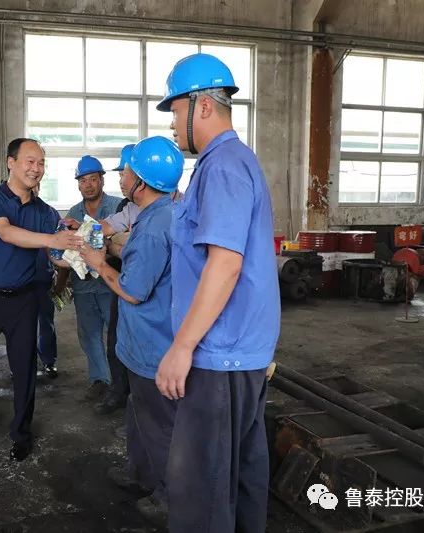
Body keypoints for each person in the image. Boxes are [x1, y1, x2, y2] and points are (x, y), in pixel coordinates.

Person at [154, 53, 280, 532]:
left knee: (200, 489)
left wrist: (182, 348)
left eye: (175, 111)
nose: (172, 124)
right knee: (240, 477)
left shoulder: (223, 166)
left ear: (202, 106)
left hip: (219, 356)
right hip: (238, 353)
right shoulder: (230, 161)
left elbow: (225, 265)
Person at [0, 138, 83, 462]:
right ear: (11, 162)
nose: (36, 169)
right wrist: (54, 238)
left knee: (25, 370)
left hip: (24, 300)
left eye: (41, 163)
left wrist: (81, 253)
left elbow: (55, 256)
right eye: (30, 161)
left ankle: (21, 433)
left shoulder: (46, 213)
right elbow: (7, 232)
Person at [81, 136, 184, 521]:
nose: (121, 178)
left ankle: (170, 495)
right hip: (141, 342)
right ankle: (140, 472)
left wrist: (98, 262)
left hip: (153, 343)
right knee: (138, 413)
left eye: (126, 171)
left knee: (159, 424)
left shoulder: (155, 226)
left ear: (141, 182)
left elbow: (133, 291)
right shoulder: (163, 212)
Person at [65, 155, 123, 400]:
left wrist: (83, 229)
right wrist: (61, 282)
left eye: (92, 179)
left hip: (111, 283)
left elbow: (124, 242)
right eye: (83, 180)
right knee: (88, 334)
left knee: (117, 334)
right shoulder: (72, 212)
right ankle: (100, 380)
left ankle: (121, 383)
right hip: (83, 285)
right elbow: (68, 251)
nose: (88, 185)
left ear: (102, 180)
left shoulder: (118, 207)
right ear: (78, 184)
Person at [93, 144, 139, 415]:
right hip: (123, 280)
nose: (121, 180)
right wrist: (84, 231)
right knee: (117, 337)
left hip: (148, 288)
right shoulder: (128, 207)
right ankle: (119, 391)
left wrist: (113, 245)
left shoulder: (171, 209)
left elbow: (131, 246)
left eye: (125, 174)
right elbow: (107, 228)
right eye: (120, 174)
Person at [32, 183, 59, 379]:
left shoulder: (50, 213)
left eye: (35, 185)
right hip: (18, 281)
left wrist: (60, 273)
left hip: (43, 277)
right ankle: (21, 364)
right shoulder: (11, 213)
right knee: (20, 326)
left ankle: (49, 361)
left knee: (46, 322)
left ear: (39, 187)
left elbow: (57, 248)